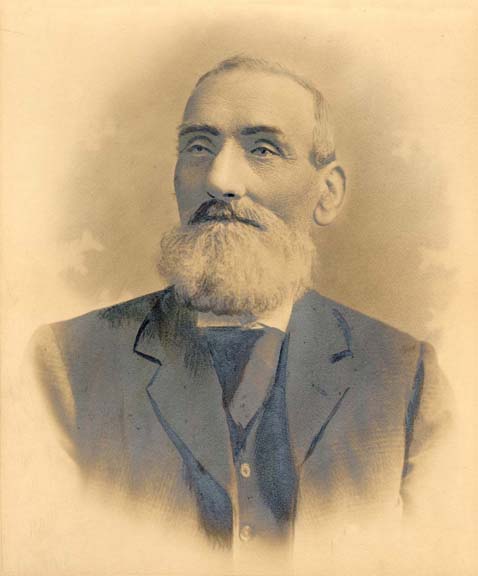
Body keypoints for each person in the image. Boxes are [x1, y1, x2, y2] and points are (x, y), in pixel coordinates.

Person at [31, 56, 451, 549]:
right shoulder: (66, 362)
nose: (220, 180)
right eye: (199, 146)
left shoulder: (405, 375)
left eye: (264, 149)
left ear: (328, 193)